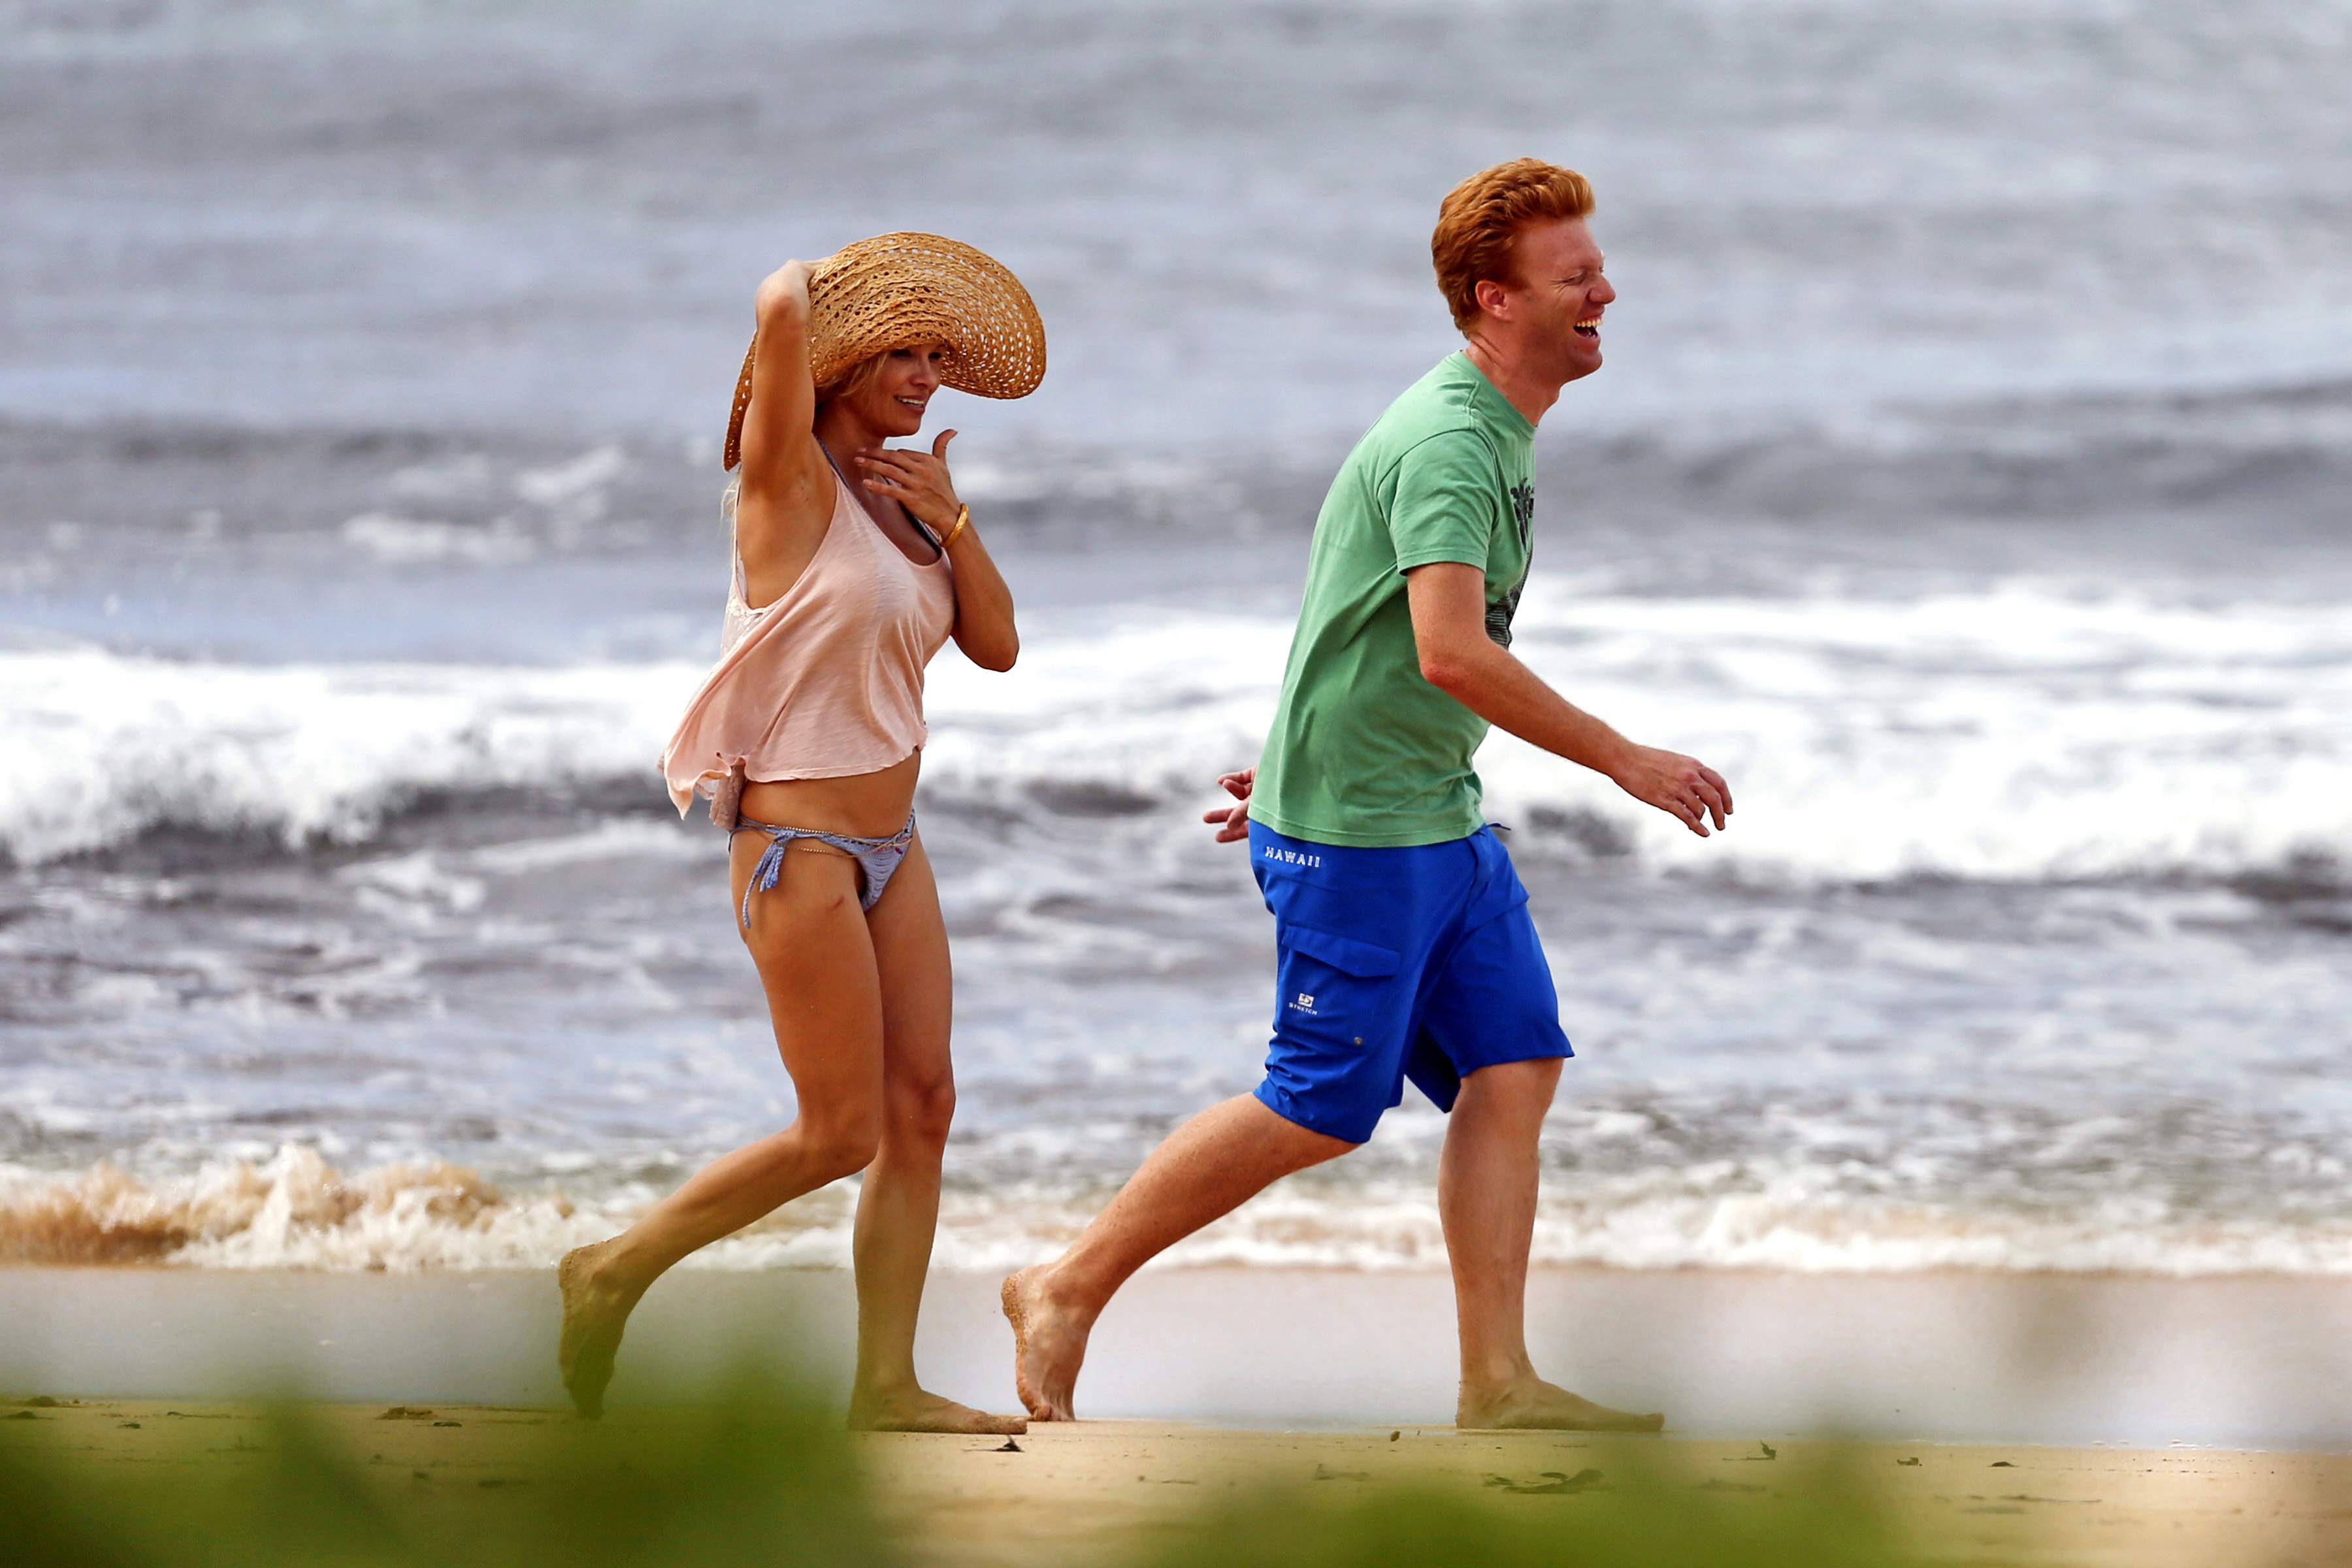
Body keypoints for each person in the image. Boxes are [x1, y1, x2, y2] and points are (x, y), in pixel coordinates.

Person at [1002, 161, 1731, 1431]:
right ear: (1494, 299)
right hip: (1368, 830)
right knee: (1321, 1106)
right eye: (1576, 278)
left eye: (1597, 270)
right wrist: (1625, 757)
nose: (1606, 292)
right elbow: (1451, 647)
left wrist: (1299, 753)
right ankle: (1062, 1285)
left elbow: (1364, 622)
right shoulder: (1454, 439)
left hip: (1427, 806)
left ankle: (1496, 1387)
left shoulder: (1496, 425)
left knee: (1513, 1068)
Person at [559, 234, 1046, 1432]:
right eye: (903, 352)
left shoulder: (906, 497)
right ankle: (611, 1269)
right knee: (841, 1131)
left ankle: (885, 1388)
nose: (928, 376)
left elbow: (996, 646)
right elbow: (777, 302)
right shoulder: (787, 488)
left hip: (894, 847)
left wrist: (954, 520)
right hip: (799, 852)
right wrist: (820, 282)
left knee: (923, 1106)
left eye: (941, 356)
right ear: (842, 359)